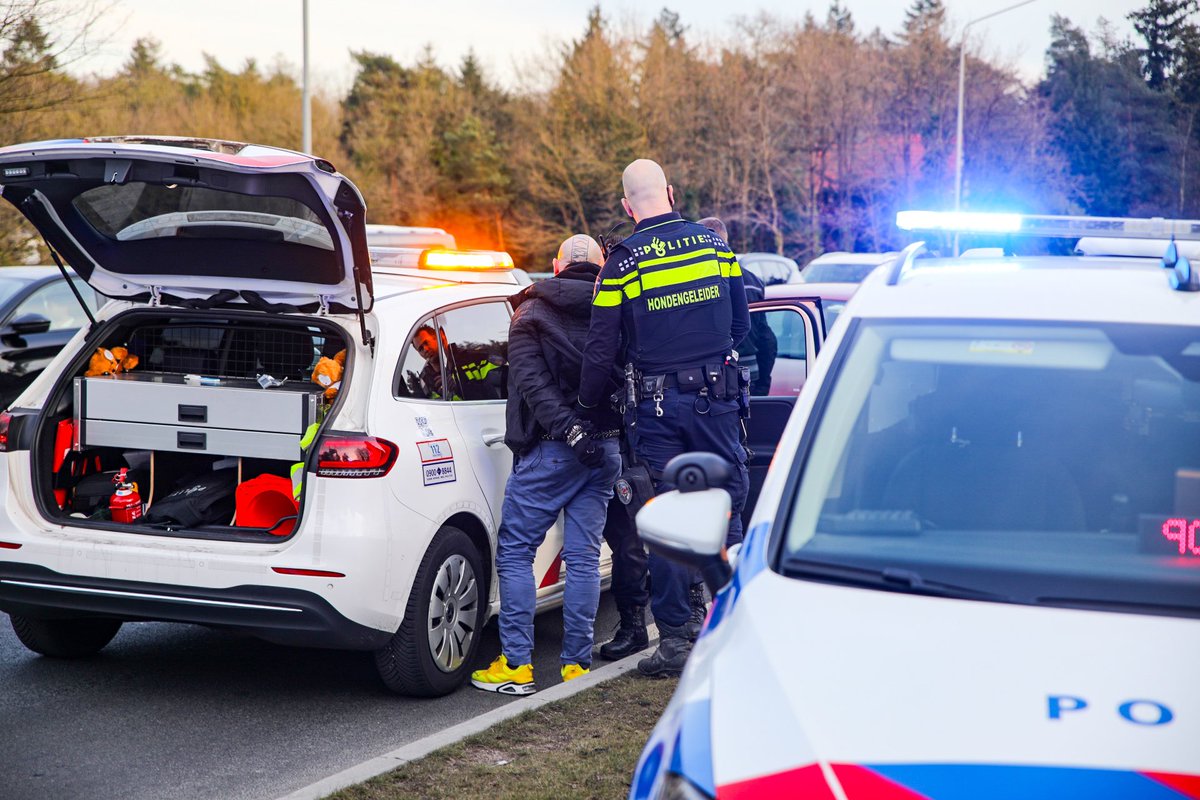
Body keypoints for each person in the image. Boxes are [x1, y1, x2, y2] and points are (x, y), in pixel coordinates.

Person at [577, 160, 751, 677]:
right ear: (671, 193)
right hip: (718, 400)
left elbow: (600, 348)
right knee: (727, 507)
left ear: (629, 206)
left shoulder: (623, 261)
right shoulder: (716, 246)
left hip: (655, 408)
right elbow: (740, 323)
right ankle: (737, 624)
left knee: (670, 519)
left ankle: (677, 642)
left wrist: (588, 407)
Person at [471, 234, 623, 696]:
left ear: (556, 266)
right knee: (582, 559)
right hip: (605, 451)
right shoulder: (617, 309)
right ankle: (575, 666)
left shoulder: (530, 314)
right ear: (600, 269)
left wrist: (571, 433)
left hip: (553, 450)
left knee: (517, 551)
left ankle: (517, 665)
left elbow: (535, 389)